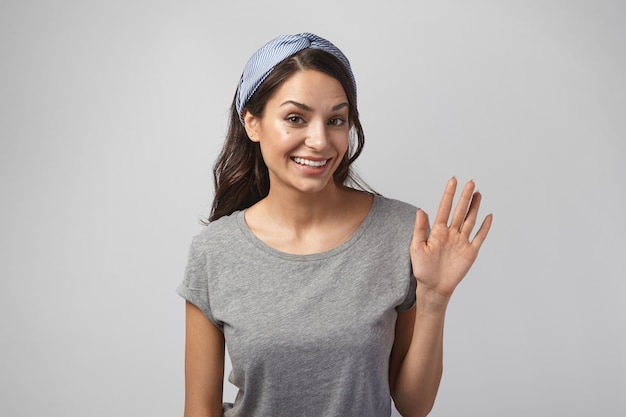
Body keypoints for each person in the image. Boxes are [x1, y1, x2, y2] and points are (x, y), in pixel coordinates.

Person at [177, 32, 492, 417]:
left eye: (336, 120)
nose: (319, 140)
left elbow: (414, 405)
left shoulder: (400, 233)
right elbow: (200, 411)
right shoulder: (215, 250)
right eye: (296, 118)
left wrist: (434, 298)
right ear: (253, 123)